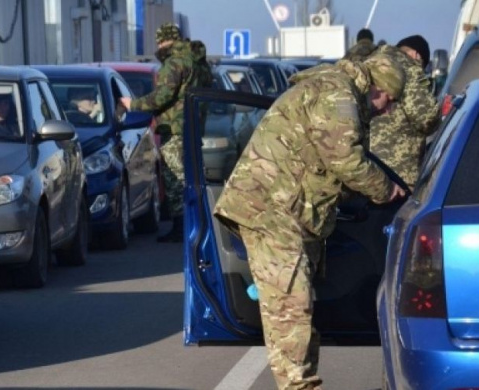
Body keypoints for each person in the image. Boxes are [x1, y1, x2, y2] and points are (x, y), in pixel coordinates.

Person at [213, 54, 407, 390]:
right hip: (270, 211)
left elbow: (327, 167)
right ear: (376, 88)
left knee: (299, 309)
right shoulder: (338, 94)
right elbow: (346, 160)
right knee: (291, 309)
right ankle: (299, 386)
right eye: (388, 101)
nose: (386, 110)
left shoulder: (338, 92)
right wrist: (386, 189)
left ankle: (301, 383)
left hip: (288, 212)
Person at [120, 23, 213, 243]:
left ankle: (182, 227)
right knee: (191, 177)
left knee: (174, 179)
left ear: (163, 41)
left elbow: (162, 96)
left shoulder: (174, 63)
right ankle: (196, 223)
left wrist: (132, 104)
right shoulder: (198, 62)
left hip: (175, 128)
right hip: (193, 126)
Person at [369, 35, 440, 189]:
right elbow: (426, 118)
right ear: (416, 55)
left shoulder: (372, 62)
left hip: (367, 169)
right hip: (399, 172)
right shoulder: (410, 68)